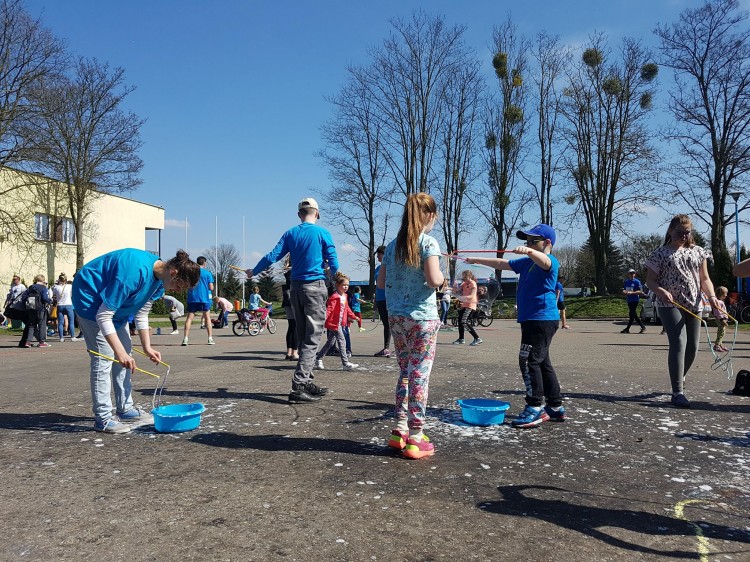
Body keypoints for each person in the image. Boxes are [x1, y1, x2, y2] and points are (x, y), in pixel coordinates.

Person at [73, 248, 200, 433]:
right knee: (105, 356)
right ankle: (103, 418)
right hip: (90, 300)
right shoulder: (133, 273)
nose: (178, 291)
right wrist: (119, 352)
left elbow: (141, 313)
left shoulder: (160, 281)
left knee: (126, 353)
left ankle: (125, 408)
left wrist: (147, 347)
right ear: (174, 273)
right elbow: (103, 315)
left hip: (115, 310)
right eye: (180, 286)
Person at [466, 224, 565, 428]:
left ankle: (535, 406)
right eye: (526, 242)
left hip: (541, 319)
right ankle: (554, 406)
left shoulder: (549, 261)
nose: (527, 245)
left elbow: (545, 261)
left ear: (547, 243)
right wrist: (476, 260)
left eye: (532, 241)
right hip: (533, 319)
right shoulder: (527, 263)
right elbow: (503, 263)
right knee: (542, 362)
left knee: (528, 360)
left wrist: (529, 251)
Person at [248, 197, 339, 403]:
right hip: (314, 287)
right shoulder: (323, 233)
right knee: (312, 337)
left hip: (295, 288)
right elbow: (333, 261)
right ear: (317, 213)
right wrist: (335, 277)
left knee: (301, 334)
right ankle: (298, 386)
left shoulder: (291, 233)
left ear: (299, 214)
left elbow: (273, 256)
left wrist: (254, 271)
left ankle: (306, 381)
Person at [379, 193, 446, 459]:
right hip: (422, 319)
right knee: (420, 374)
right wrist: (442, 279)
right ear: (429, 216)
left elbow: (382, 283)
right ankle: (417, 437)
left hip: (397, 318)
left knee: (405, 372)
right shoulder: (429, 242)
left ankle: (399, 430)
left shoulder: (393, 245)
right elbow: (432, 279)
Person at [645, 214, 720, 409]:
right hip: (669, 304)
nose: (684, 236)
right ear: (670, 231)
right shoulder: (660, 254)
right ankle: (677, 391)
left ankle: (681, 375)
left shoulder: (698, 252)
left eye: (687, 232)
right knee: (678, 342)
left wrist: (712, 299)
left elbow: (705, 279)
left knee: (693, 347)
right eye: (680, 232)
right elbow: (650, 281)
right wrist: (661, 291)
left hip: (694, 303)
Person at [315, 272, 358, 371]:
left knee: (330, 342)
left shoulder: (345, 296)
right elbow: (329, 309)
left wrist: (352, 316)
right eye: (344, 285)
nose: (346, 287)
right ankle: (345, 363)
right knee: (342, 341)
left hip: (340, 323)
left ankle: (319, 358)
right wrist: (323, 319)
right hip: (333, 323)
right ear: (337, 285)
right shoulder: (335, 297)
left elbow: (346, 308)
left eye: (347, 285)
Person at [182, 256, 215, 346]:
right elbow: (211, 287)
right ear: (204, 263)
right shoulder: (207, 273)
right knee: (207, 318)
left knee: (189, 318)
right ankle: (210, 338)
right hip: (204, 298)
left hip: (192, 298)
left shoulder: (191, 272)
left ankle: (185, 338)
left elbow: (186, 284)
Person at [18, 274, 53, 348]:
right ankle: (42, 342)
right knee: (41, 325)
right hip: (40, 308)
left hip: (30, 308)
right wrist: (50, 301)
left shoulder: (30, 287)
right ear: (42, 280)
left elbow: (24, 297)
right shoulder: (43, 288)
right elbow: (45, 298)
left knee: (31, 325)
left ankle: (28, 342)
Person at [453, 269, 482, 346]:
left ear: (469, 276)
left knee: (464, 322)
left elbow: (472, 296)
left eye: (464, 276)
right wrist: (453, 288)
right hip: (464, 304)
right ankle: (461, 339)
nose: (463, 278)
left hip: (470, 305)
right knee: (460, 321)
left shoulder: (473, 283)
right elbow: (457, 290)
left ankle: (477, 338)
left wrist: (462, 298)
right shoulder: (464, 283)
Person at [373, 245, 392, 357]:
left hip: (388, 298)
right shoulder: (377, 269)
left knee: (390, 324)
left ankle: (388, 348)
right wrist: (375, 300)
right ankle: (386, 348)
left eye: (379, 254)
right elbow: (377, 286)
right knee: (386, 324)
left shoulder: (390, 267)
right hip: (380, 298)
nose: (378, 257)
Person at [281, 256, 298, 361]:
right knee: (295, 327)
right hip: (293, 301)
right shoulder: (294, 272)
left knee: (291, 326)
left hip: (287, 301)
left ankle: (289, 352)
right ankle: (294, 353)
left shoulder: (287, 272)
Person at [621, 268, 646, 334]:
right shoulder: (627, 281)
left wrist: (632, 293)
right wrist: (624, 292)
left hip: (635, 300)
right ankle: (627, 329)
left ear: (635, 274)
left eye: (633, 273)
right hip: (629, 300)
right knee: (632, 315)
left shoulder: (637, 281)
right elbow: (624, 290)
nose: (632, 274)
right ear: (628, 274)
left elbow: (640, 291)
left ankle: (643, 326)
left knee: (633, 313)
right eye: (631, 273)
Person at [53, 273, 75, 342]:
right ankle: (72, 337)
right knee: (71, 322)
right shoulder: (70, 286)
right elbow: (71, 295)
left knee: (60, 322)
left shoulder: (56, 287)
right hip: (68, 304)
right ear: (66, 280)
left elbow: (52, 295)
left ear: (59, 279)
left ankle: (61, 337)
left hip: (60, 305)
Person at [712, 286, 729, 353]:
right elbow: (717, 311)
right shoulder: (718, 302)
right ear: (720, 294)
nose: (726, 295)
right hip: (720, 319)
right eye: (725, 293)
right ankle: (716, 346)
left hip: (723, 318)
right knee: (721, 332)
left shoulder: (720, 301)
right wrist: (722, 319)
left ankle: (720, 344)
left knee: (722, 332)